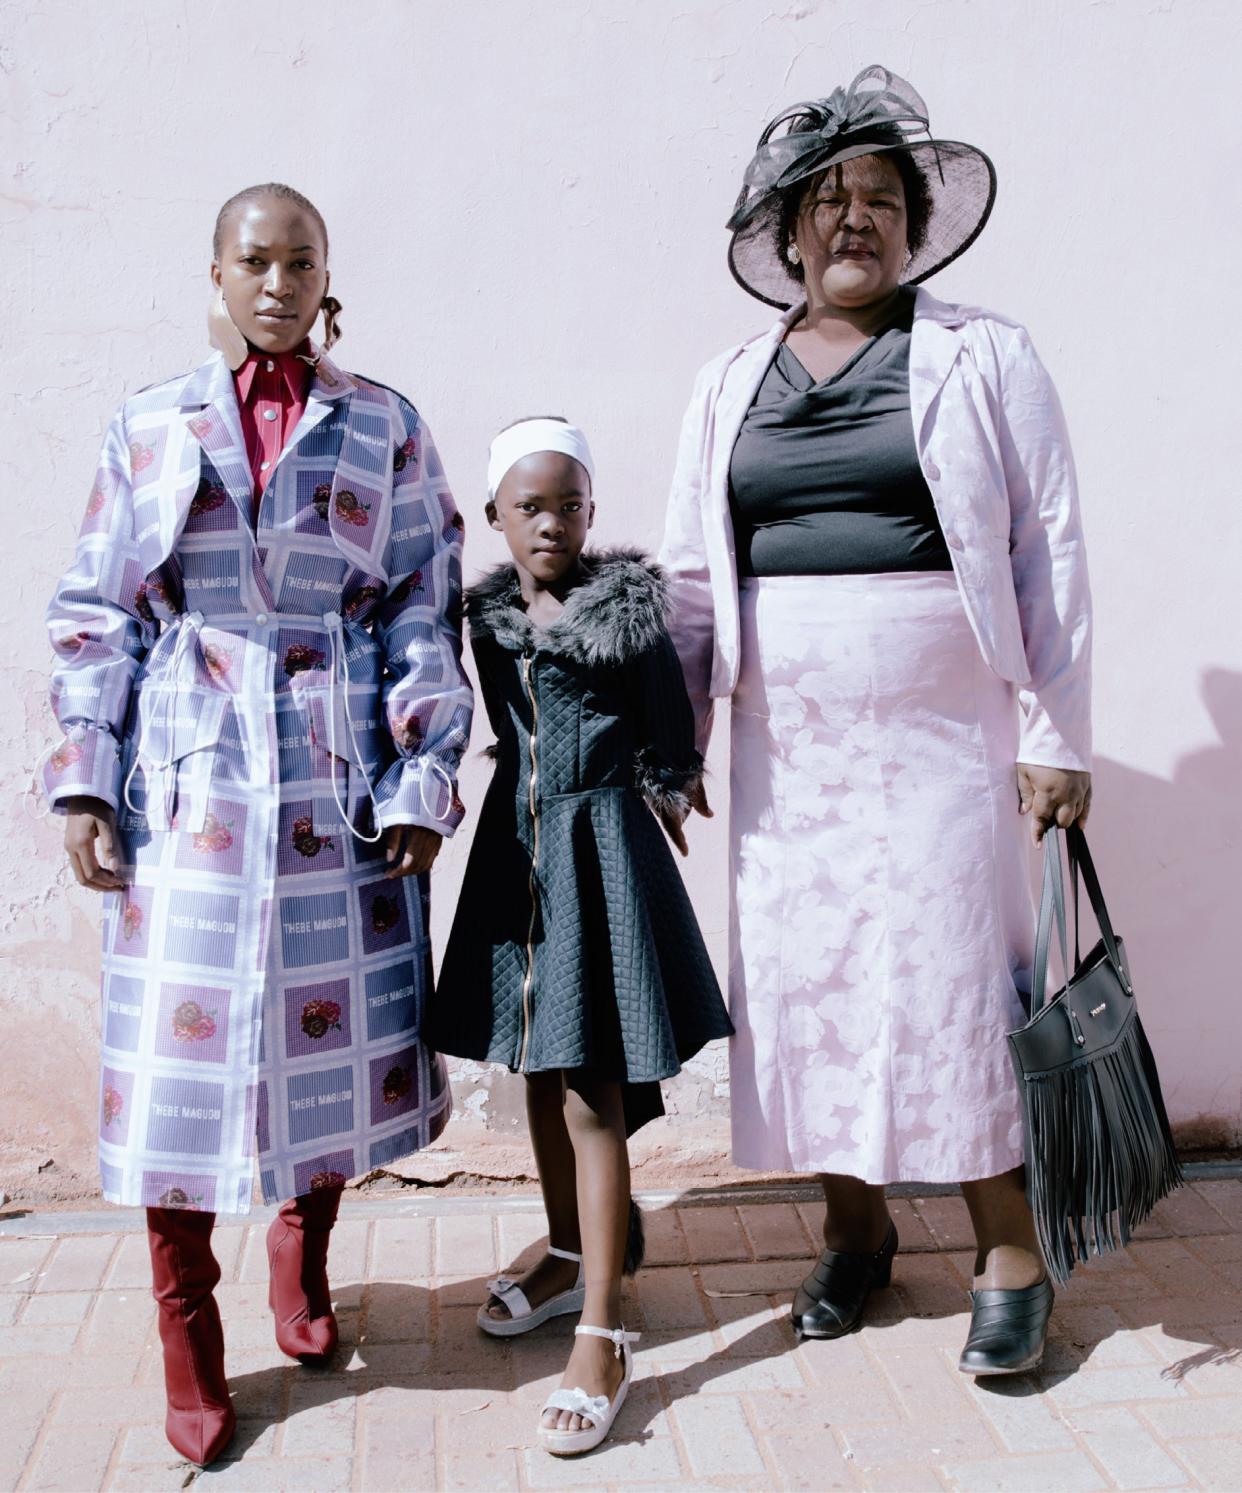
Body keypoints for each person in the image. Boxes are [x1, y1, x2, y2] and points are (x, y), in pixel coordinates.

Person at [660, 66, 1092, 1374]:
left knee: (956, 984)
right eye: (827, 199)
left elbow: (1047, 546)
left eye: (878, 199)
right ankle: (853, 1235)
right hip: (783, 750)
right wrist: (674, 746)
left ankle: (1006, 1249)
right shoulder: (727, 381)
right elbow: (690, 570)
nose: (853, 218)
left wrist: (1053, 733)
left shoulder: (983, 355)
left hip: (943, 741)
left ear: (911, 226)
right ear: (787, 230)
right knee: (809, 990)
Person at [40, 183, 472, 1464]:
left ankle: (304, 1246)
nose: (277, 282)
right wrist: (84, 773)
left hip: (332, 771)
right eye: (254, 260)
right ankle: (186, 1325)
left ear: (325, 279)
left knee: (323, 1039)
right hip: (190, 775)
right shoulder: (151, 423)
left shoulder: (381, 423)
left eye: (301, 262)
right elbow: (99, 605)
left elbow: (419, 604)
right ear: (215, 275)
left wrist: (418, 777)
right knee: (180, 1064)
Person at [427, 418, 733, 1453]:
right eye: (529, 506)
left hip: (601, 853)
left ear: (592, 511)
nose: (550, 522)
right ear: (497, 520)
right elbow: (495, 731)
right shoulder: (492, 620)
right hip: (518, 862)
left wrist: (673, 783)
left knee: (591, 1087)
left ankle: (604, 1329)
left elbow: (668, 724)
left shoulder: (627, 616)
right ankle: (567, 1254)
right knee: (536, 1074)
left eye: (568, 504)